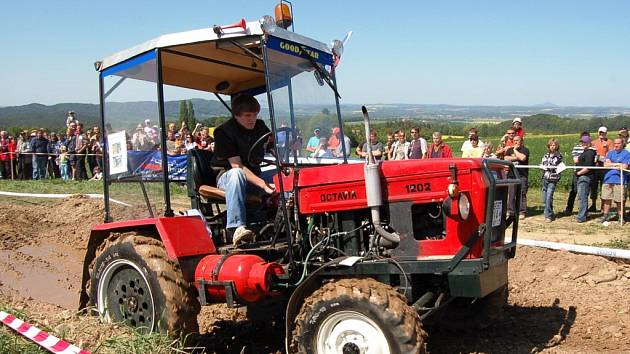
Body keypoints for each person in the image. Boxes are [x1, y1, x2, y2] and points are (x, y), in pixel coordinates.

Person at [212, 95, 276, 246]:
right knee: (237, 174)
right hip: (227, 177)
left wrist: (282, 143)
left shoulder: (259, 126)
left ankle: (287, 221)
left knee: (284, 175)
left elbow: (271, 145)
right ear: (236, 115)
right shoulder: (223, 132)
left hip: (254, 175)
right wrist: (263, 184)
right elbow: (237, 166)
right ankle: (236, 227)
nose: (252, 119)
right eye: (247, 115)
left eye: (254, 115)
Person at [600, 138, 630, 226]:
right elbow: (605, 164)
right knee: (606, 198)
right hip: (608, 179)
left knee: (619, 199)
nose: (616, 145)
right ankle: (605, 215)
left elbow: (624, 166)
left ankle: (621, 217)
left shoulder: (626, 153)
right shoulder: (610, 153)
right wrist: (617, 164)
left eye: (618, 143)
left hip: (620, 179)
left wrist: (612, 163)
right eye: (615, 143)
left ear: (622, 144)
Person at [564, 132, 592, 215]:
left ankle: (583, 210)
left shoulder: (592, 149)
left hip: (587, 173)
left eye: (585, 140)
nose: (583, 142)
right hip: (577, 172)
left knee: (584, 193)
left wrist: (584, 160)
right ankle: (569, 208)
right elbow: (575, 160)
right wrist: (585, 160)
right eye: (582, 140)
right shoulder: (576, 148)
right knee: (574, 191)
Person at [504, 135, 529, 219]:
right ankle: (510, 211)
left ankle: (522, 212)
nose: (515, 142)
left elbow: (522, 158)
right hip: (511, 176)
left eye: (517, 140)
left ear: (521, 141)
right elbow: (506, 158)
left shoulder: (525, 150)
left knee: (522, 194)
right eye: (514, 140)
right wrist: (516, 157)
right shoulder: (509, 150)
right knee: (511, 194)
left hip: (522, 175)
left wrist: (515, 151)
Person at [590, 126, 614, 212]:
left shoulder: (610, 142)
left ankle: (603, 206)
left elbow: (611, 154)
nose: (601, 134)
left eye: (603, 133)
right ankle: (593, 204)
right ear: (598, 132)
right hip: (595, 167)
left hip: (604, 168)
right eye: (600, 132)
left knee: (604, 187)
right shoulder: (593, 142)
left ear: (606, 133)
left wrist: (602, 157)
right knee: (593, 186)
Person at [574, 135, 597, 223]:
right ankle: (585, 213)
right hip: (583, 176)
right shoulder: (586, 152)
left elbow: (588, 167)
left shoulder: (589, 153)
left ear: (589, 143)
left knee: (583, 197)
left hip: (585, 176)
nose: (583, 143)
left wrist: (578, 173)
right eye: (582, 142)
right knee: (581, 196)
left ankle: (581, 216)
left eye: (585, 142)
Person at [540, 138, 563, 222]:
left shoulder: (559, 155)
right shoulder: (546, 155)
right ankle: (549, 211)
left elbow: (554, 164)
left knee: (549, 196)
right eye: (551, 145)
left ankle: (548, 216)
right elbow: (542, 164)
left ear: (557, 146)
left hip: (553, 179)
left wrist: (547, 166)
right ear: (548, 146)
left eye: (554, 145)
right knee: (545, 197)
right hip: (545, 177)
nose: (552, 147)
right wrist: (545, 166)